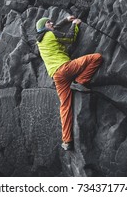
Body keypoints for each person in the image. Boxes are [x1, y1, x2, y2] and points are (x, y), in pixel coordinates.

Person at [36, 15, 102, 151]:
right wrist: (75, 24)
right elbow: (70, 38)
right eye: (49, 22)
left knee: (65, 106)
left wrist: (65, 20)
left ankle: (67, 140)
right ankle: (80, 81)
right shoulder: (51, 34)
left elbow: (54, 29)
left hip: (56, 76)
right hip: (66, 69)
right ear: (44, 26)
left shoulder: (40, 40)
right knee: (96, 58)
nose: (52, 22)